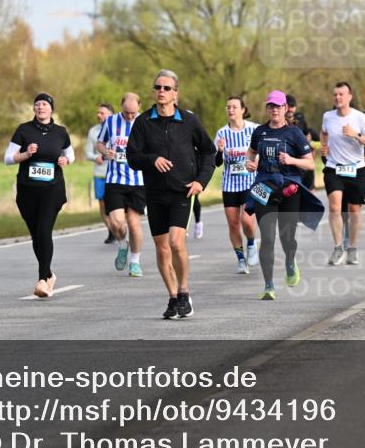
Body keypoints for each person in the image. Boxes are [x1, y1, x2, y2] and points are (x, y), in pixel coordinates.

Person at [127, 70, 216, 319]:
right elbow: (132, 157)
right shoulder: (143, 122)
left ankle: (184, 292)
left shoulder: (189, 120)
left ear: (175, 93)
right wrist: (152, 159)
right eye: (158, 87)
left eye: (167, 88)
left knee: (176, 243)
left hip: (182, 191)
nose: (161, 92)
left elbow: (209, 152)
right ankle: (173, 297)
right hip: (154, 193)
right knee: (162, 249)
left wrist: (201, 182)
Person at [244, 90, 321, 300]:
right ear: (267, 109)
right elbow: (251, 152)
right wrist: (249, 163)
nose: (274, 110)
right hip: (264, 188)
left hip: (289, 189)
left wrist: (291, 160)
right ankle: (269, 285)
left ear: (285, 108)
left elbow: (310, 163)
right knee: (267, 238)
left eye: (278, 106)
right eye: (271, 106)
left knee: (287, 238)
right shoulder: (259, 131)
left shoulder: (294, 133)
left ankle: (289, 260)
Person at [4, 93, 74, 298]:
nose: (41, 107)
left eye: (44, 104)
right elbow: (7, 158)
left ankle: (42, 280)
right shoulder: (24, 130)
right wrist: (26, 154)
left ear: (51, 109)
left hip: (52, 189)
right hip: (27, 190)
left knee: (44, 230)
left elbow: (70, 154)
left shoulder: (61, 132)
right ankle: (49, 274)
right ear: (34, 109)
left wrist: (66, 161)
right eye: (37, 104)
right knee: (36, 235)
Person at [321, 82, 365, 266]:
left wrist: (356, 135)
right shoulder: (328, 116)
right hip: (334, 168)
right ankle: (338, 247)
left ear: (349, 97)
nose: (337, 97)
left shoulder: (361, 118)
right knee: (335, 207)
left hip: (356, 169)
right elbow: (324, 133)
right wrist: (325, 147)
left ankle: (352, 247)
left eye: (341, 94)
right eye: (335, 94)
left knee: (354, 210)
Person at [96, 93, 146, 277]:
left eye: (133, 113)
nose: (130, 116)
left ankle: (135, 262)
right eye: (126, 113)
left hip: (137, 181)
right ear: (121, 107)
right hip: (115, 180)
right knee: (117, 222)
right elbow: (100, 143)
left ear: (139, 107)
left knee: (134, 224)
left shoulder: (145, 122)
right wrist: (106, 151)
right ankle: (122, 244)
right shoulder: (110, 122)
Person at [214, 96, 260, 274]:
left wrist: (257, 162)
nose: (231, 110)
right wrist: (219, 151)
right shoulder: (221, 133)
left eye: (234, 107)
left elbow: (263, 152)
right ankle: (241, 259)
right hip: (230, 184)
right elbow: (217, 163)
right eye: (228, 107)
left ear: (243, 110)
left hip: (251, 182)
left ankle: (251, 243)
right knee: (233, 224)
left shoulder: (254, 129)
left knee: (246, 221)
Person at [86, 103, 115, 243]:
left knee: (116, 204)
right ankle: (112, 231)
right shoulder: (93, 131)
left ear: (111, 115)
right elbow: (88, 153)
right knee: (103, 206)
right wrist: (95, 157)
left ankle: (119, 229)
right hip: (100, 174)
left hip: (115, 174)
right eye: (98, 113)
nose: (98, 115)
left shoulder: (118, 129)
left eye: (102, 113)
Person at [286, 94, 317, 190]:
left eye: (292, 106)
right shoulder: (279, 122)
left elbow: (308, 136)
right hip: (288, 162)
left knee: (309, 189)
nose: (290, 109)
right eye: (288, 106)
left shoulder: (300, 120)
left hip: (303, 160)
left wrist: (309, 147)